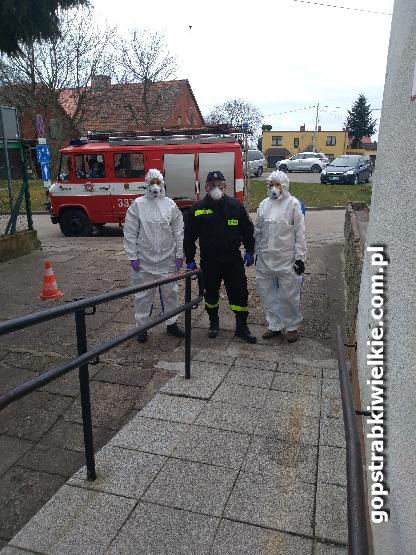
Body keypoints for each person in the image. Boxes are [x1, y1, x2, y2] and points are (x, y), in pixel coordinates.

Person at [184, 170, 257, 343]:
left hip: (232, 260)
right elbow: (189, 236)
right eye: (212, 185)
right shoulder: (198, 209)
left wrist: (249, 250)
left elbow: (248, 230)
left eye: (219, 184)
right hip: (210, 262)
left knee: (239, 292)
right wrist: (190, 259)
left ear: (225, 186)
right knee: (210, 294)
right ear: (206, 187)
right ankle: (213, 323)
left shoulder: (235, 206)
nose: (216, 188)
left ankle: (241, 327)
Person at [123, 168, 185, 343]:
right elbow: (130, 232)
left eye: (158, 182)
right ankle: (142, 327)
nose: (155, 186)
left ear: (162, 184)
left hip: (167, 260)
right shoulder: (138, 205)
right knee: (143, 296)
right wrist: (132, 256)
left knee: (170, 293)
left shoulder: (170, 205)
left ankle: (171, 323)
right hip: (145, 261)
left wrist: (180, 254)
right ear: (147, 184)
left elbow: (178, 231)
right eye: (152, 182)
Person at [254, 170, 307, 343]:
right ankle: (274, 324)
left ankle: (291, 327)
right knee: (267, 295)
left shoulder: (293, 204)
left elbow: (300, 233)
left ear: (284, 186)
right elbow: (258, 231)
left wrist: (300, 258)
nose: (274, 188)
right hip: (266, 259)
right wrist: (256, 252)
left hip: (287, 259)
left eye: (277, 185)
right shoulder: (263, 205)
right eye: (271, 184)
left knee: (289, 296)